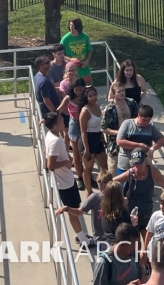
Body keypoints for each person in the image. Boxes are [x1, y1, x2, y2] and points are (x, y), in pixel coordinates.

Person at [114, 149, 164, 232]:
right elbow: (113, 182)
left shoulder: (153, 171)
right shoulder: (130, 173)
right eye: (135, 163)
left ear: (145, 160)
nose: (138, 166)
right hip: (132, 213)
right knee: (134, 240)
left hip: (147, 211)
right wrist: (120, 198)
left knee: (146, 237)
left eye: (140, 162)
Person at [42, 111, 87, 241]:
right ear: (55, 126)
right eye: (61, 121)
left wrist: (66, 157)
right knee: (73, 211)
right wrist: (67, 162)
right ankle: (82, 238)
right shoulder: (55, 140)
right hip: (64, 183)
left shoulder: (52, 134)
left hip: (65, 180)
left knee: (75, 208)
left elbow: (46, 150)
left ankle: (82, 236)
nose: (63, 121)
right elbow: (50, 164)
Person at [58, 169, 114, 241]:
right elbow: (79, 212)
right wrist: (67, 208)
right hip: (100, 237)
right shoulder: (94, 198)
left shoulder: (116, 196)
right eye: (100, 188)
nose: (102, 191)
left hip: (112, 236)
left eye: (105, 188)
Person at [115, 104, 164, 171]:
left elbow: (162, 139)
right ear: (138, 115)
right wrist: (139, 145)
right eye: (144, 120)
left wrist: (153, 148)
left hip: (144, 166)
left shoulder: (150, 127)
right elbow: (119, 142)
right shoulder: (127, 124)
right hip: (126, 165)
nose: (147, 123)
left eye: (149, 120)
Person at [103, 82, 139, 175]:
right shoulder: (109, 109)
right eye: (119, 91)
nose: (122, 93)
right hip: (115, 145)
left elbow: (138, 118)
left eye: (123, 90)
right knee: (113, 171)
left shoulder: (131, 103)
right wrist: (118, 132)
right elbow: (103, 128)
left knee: (134, 169)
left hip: (131, 140)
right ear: (113, 94)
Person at [79, 83, 109, 190]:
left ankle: (105, 190)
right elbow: (83, 132)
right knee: (88, 169)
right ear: (86, 98)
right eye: (90, 96)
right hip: (88, 140)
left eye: (94, 95)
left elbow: (99, 125)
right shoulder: (84, 111)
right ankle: (89, 192)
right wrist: (86, 149)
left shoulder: (98, 106)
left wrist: (103, 139)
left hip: (98, 139)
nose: (93, 98)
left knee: (104, 167)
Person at [64, 75, 87, 185]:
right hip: (74, 126)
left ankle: (87, 174)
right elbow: (58, 110)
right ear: (73, 88)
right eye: (76, 89)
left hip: (86, 126)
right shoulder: (68, 98)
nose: (79, 92)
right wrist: (48, 118)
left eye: (81, 89)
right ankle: (80, 178)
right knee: (76, 154)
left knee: (86, 152)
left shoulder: (87, 96)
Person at [60, 17, 93, 84]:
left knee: (89, 86)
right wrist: (70, 59)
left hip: (84, 68)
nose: (71, 27)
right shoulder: (66, 38)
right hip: (72, 69)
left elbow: (90, 51)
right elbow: (60, 54)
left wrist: (86, 61)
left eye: (73, 25)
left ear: (78, 26)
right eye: (70, 25)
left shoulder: (85, 37)